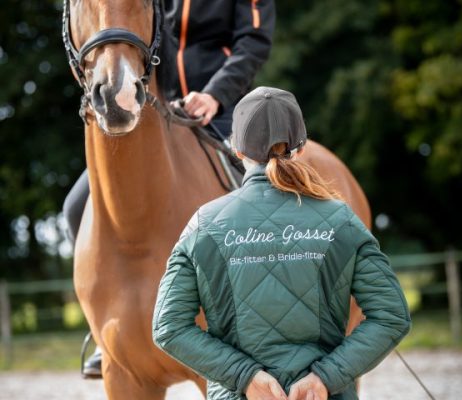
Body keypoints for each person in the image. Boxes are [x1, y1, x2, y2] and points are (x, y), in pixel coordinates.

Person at [152, 86, 412, 399]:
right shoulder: (341, 219)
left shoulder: (202, 225)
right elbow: (393, 315)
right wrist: (324, 379)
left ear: (237, 151)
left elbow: (169, 327)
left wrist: (244, 377)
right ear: (301, 148)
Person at [68, 0, 275, 377]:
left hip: (221, 109)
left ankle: (273, 318)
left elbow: (254, 40)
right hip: (153, 106)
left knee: (262, 195)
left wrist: (215, 93)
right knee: (75, 203)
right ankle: (103, 330)